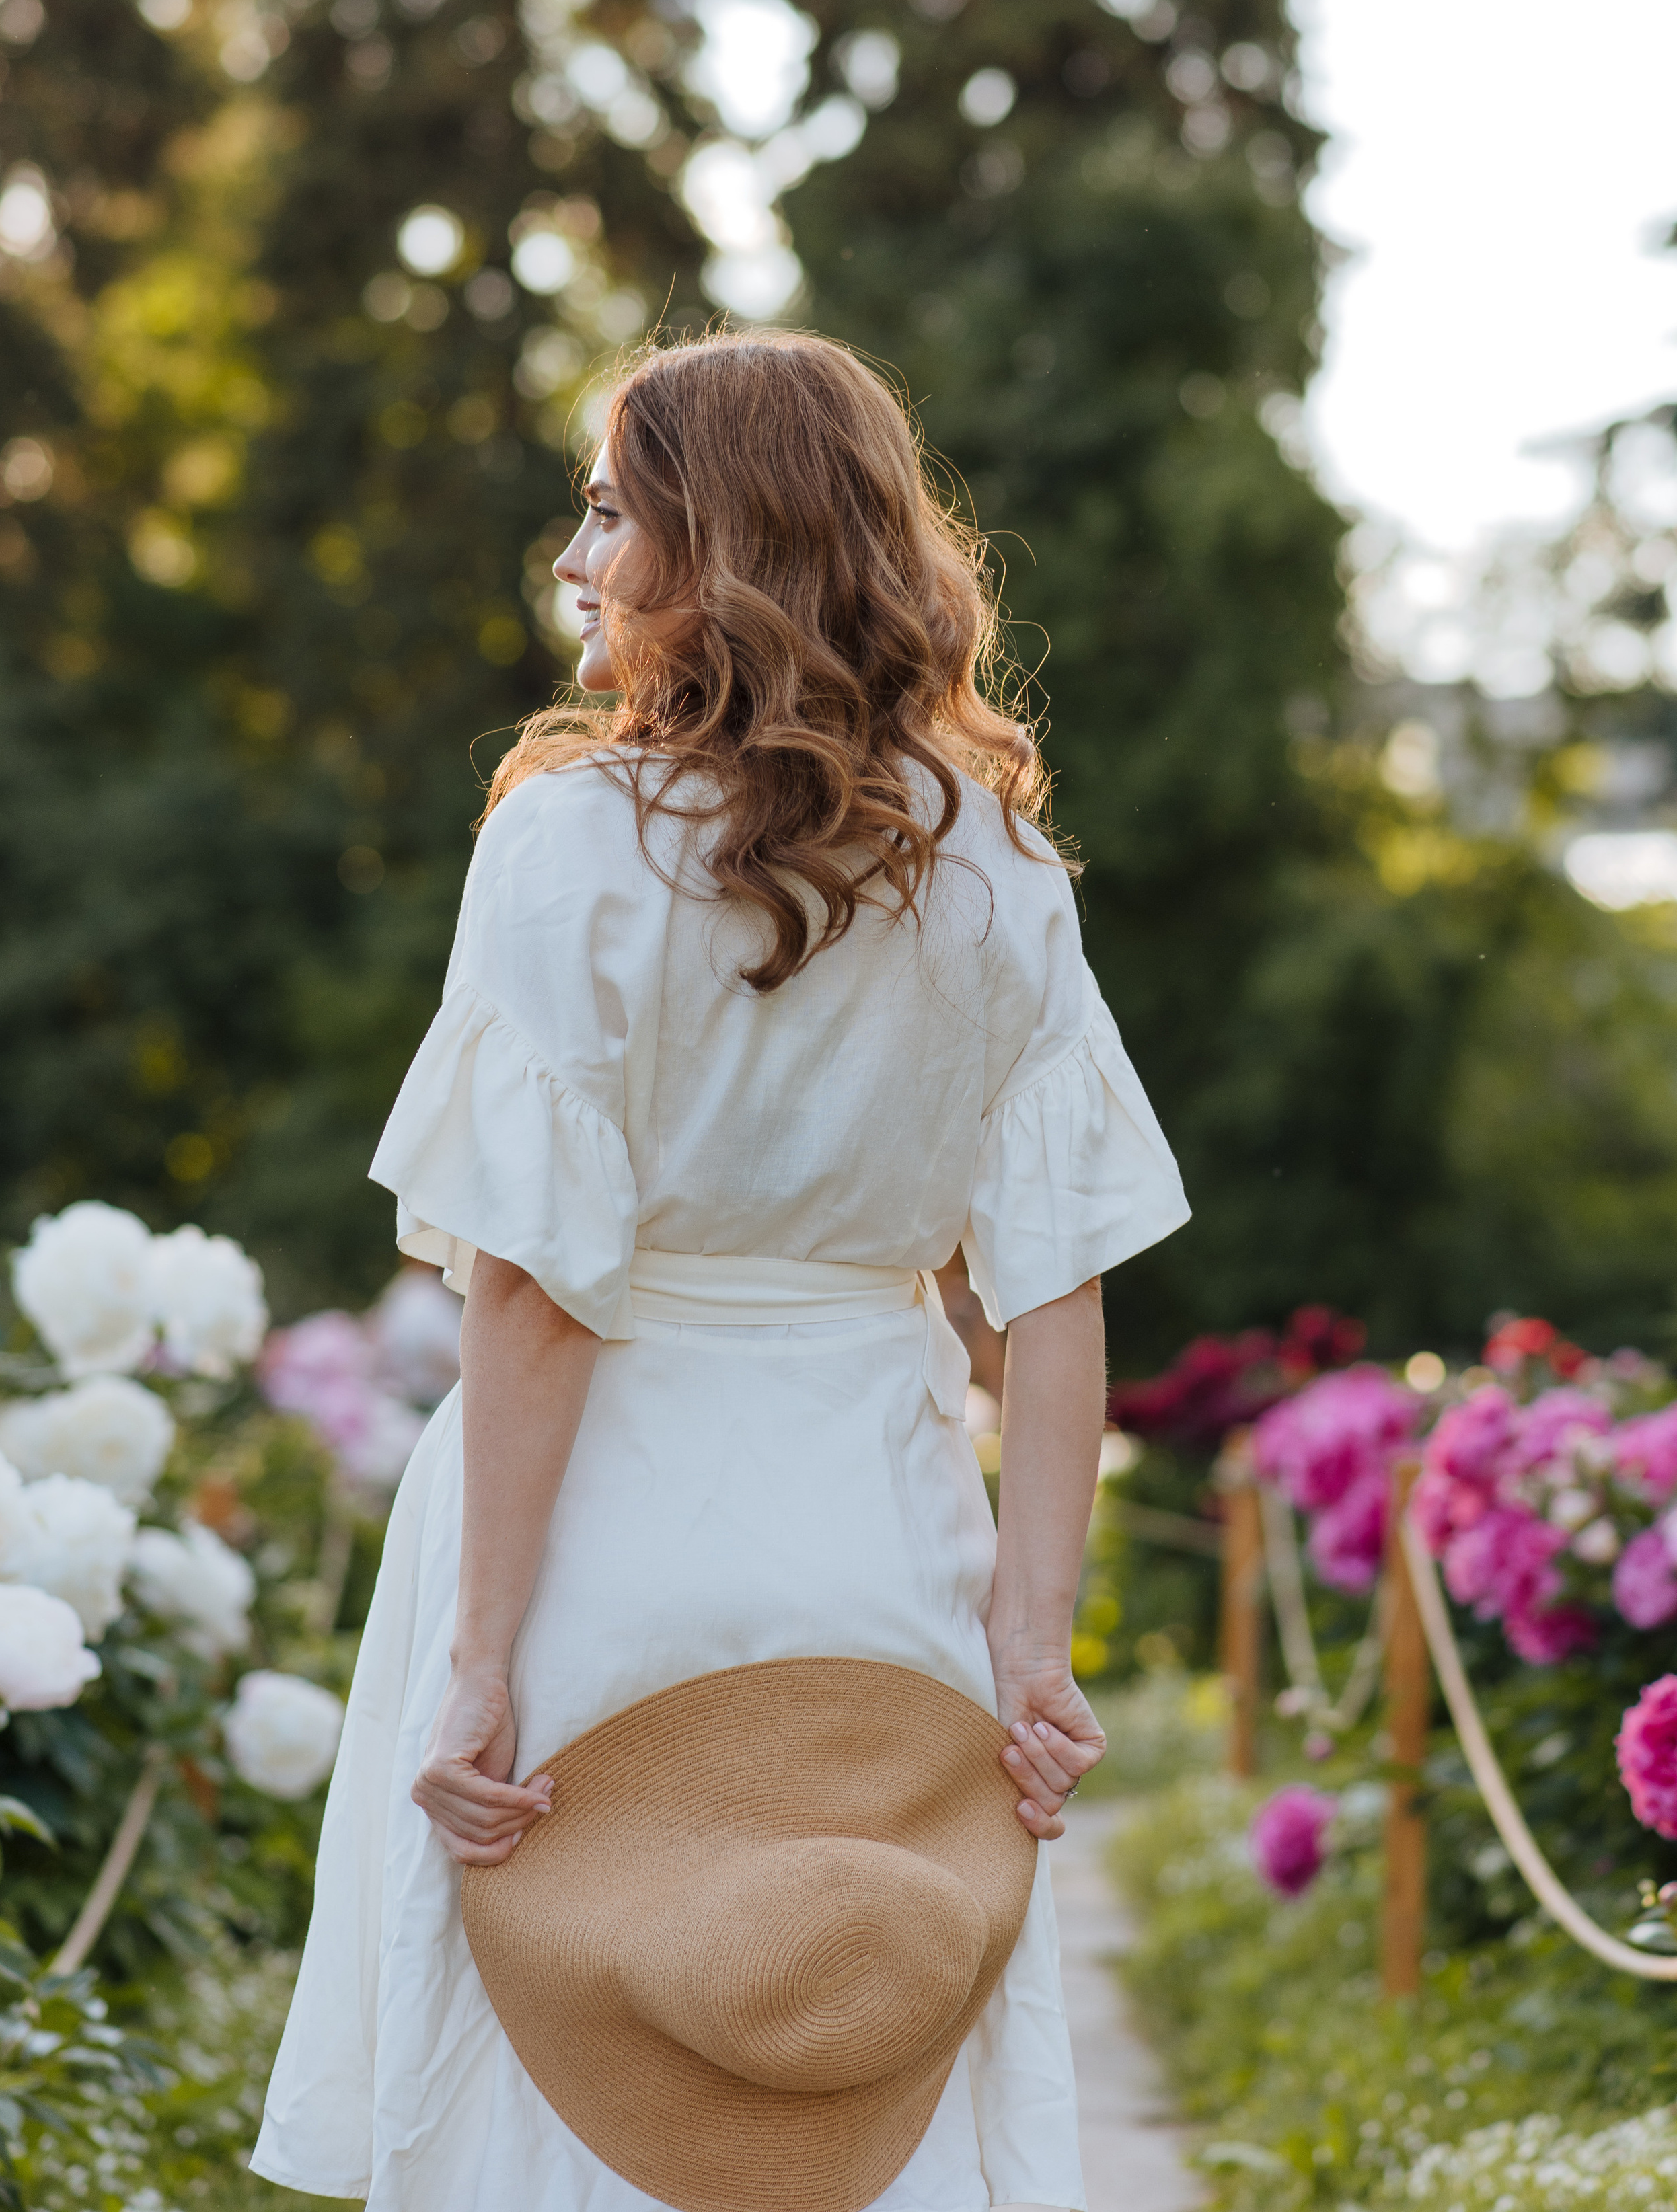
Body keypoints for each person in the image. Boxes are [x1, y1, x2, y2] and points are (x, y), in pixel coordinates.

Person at [252, 331, 1189, 2212]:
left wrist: (477, 1659)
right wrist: (1028, 1630)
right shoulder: (1001, 866)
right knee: (845, 2050)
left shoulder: (570, 847)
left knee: (563, 2055)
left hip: (597, 1517)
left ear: (717, 540)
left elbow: (531, 1294)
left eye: (611, 505)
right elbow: (1059, 1291)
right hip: (875, 1510)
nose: (578, 552)